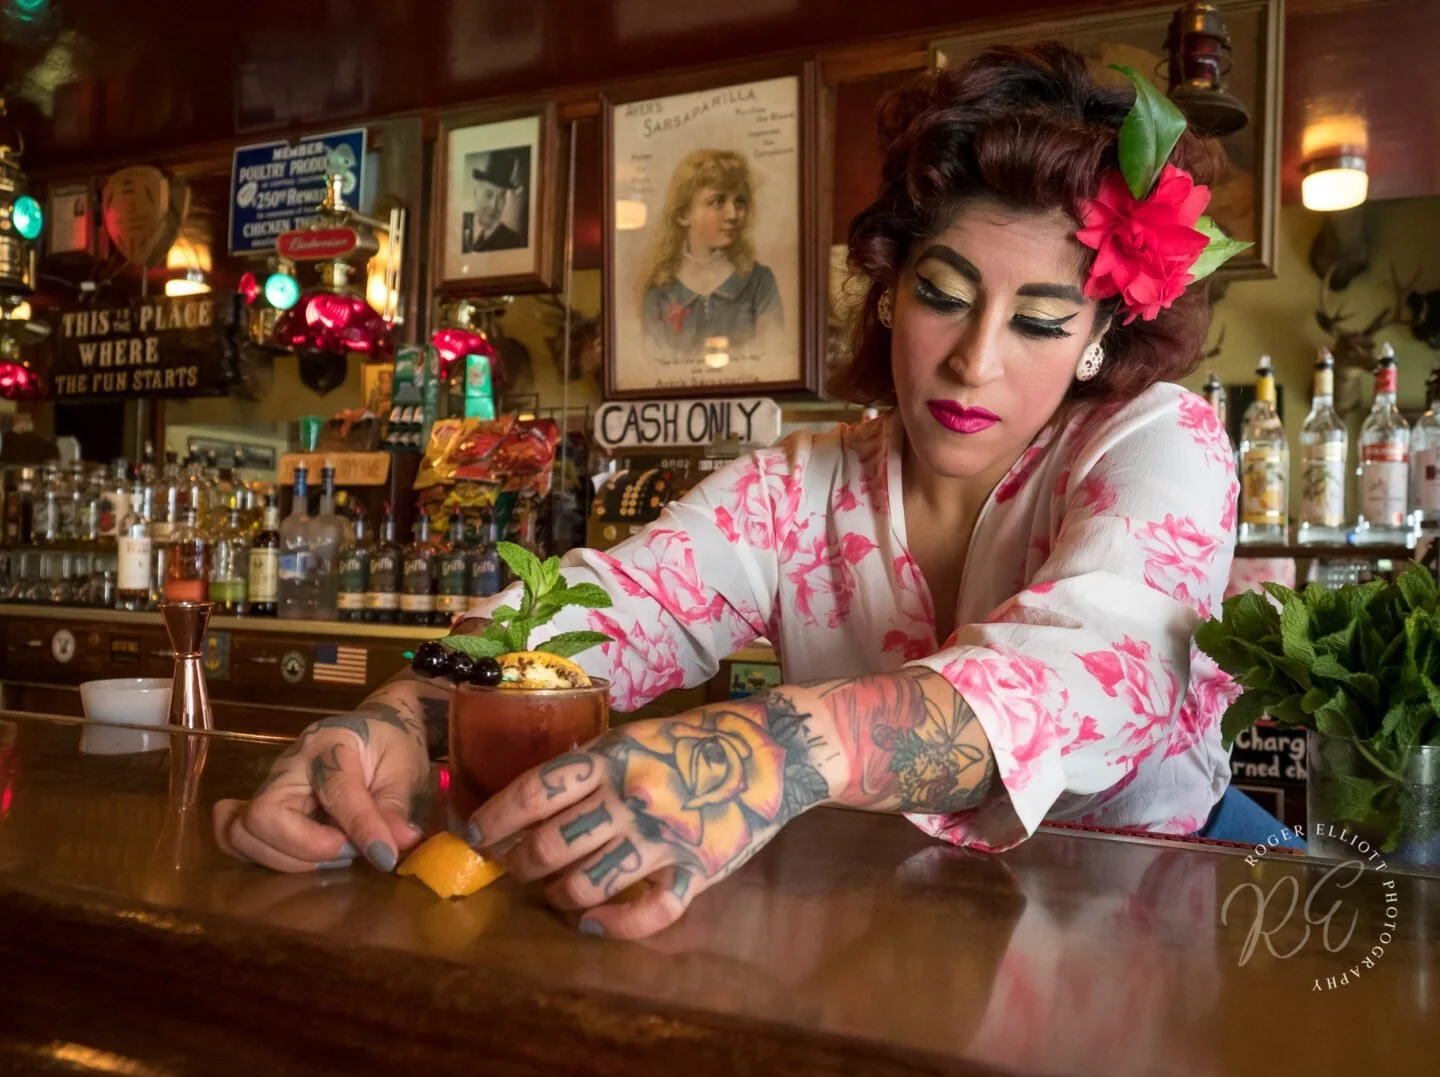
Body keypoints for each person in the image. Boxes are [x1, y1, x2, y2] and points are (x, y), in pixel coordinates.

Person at [217, 44, 1283, 940]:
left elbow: (1101, 670)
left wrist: (774, 748)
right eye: (943, 295)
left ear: (1101, 338)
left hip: (1151, 918)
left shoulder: (1161, 442)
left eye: (1041, 321)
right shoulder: (796, 489)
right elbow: (607, 611)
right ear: (889, 291)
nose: (975, 361)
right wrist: (404, 715)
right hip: (891, 926)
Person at [639, 148, 782, 354]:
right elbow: (654, 363)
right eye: (717, 202)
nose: (732, 215)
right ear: (683, 215)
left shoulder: (759, 282)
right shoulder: (659, 291)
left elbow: (772, 355)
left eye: (740, 202)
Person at [461, 150, 525, 253]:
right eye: (488, 194)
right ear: (475, 193)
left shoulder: (515, 242)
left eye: (501, 196)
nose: (494, 205)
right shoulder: (458, 228)